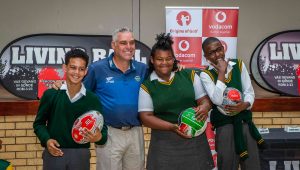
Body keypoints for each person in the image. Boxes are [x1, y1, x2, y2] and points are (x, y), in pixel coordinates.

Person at [138, 33, 214, 170]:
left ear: (174, 59)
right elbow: (145, 117)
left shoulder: (188, 75)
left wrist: (205, 107)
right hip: (164, 144)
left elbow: (205, 101)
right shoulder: (147, 86)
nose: (164, 63)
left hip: (194, 140)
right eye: (159, 59)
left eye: (168, 59)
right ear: (152, 60)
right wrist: (171, 127)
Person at [33, 49, 107, 170]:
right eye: (73, 67)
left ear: (86, 71)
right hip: (54, 153)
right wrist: (46, 140)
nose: (77, 72)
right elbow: (39, 124)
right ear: (65, 67)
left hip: (81, 155)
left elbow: (103, 131)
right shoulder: (51, 94)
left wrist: (98, 137)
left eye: (81, 69)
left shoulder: (93, 99)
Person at [200, 37, 265, 170]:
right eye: (211, 53)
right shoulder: (206, 74)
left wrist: (244, 105)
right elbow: (217, 100)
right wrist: (222, 72)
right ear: (206, 57)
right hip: (225, 127)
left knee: (252, 165)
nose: (217, 54)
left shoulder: (239, 65)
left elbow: (249, 92)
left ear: (223, 49)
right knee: (227, 165)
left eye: (219, 50)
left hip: (244, 124)